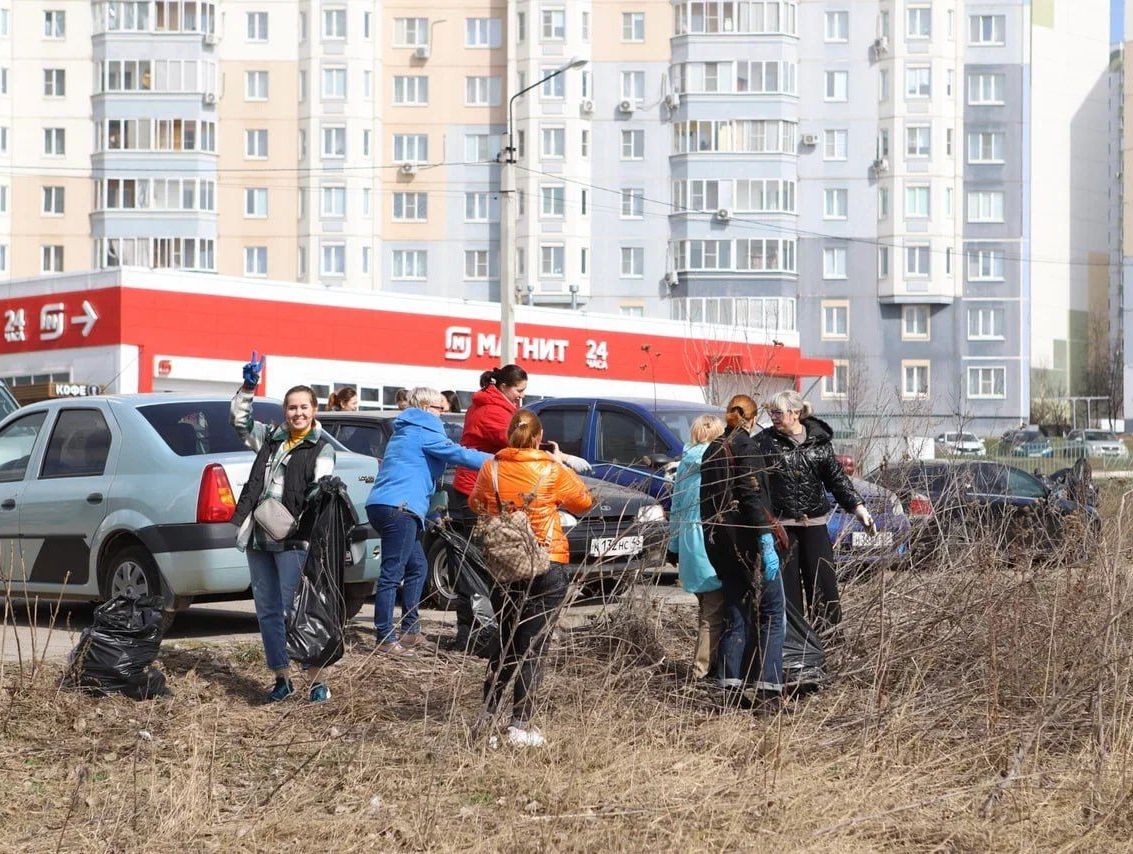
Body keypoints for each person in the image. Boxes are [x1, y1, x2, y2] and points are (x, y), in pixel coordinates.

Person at [469, 410, 593, 747]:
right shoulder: (550, 469)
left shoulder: (490, 467)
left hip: (506, 565)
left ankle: (487, 715)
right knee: (534, 645)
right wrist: (559, 463)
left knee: (507, 641)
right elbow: (583, 502)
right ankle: (520, 725)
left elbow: (476, 503)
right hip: (547, 561)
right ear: (538, 438)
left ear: (509, 435)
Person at [230, 352, 336, 703]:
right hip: (260, 537)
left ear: (314, 410)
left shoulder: (321, 448)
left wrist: (322, 490)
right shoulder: (271, 438)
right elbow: (240, 423)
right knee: (268, 611)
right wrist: (248, 387)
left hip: (294, 540)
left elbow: (321, 485)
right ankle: (281, 678)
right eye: (292, 407)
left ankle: (316, 681)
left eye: (304, 407)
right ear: (284, 411)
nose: (298, 413)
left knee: (297, 609)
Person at [366, 387, 492, 653]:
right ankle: (385, 637)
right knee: (392, 574)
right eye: (439, 408)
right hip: (399, 509)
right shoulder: (424, 430)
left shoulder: (406, 430)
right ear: (425, 408)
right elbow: (461, 455)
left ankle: (410, 631)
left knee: (418, 567)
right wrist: (500, 461)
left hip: (386, 505)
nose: (443, 414)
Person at [752, 390, 872, 636]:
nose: (773, 417)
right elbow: (754, 484)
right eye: (771, 412)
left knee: (823, 585)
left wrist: (858, 508)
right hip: (782, 527)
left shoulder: (819, 441)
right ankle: (794, 647)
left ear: (795, 413)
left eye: (778, 412)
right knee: (789, 592)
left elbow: (837, 479)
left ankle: (828, 642)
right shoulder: (763, 442)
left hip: (814, 524)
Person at [699, 394, 784, 711]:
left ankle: (728, 691)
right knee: (773, 613)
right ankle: (769, 692)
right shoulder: (746, 447)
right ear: (752, 418)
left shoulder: (712, 449)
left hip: (720, 544)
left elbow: (706, 502)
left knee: (737, 613)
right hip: (747, 544)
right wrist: (765, 539)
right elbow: (751, 497)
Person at [668, 415, 727, 680]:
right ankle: (701, 670)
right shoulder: (719, 460)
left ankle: (709, 664)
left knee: (706, 608)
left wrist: (674, 546)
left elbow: (676, 508)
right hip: (709, 540)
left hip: (690, 542)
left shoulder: (684, 463)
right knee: (713, 613)